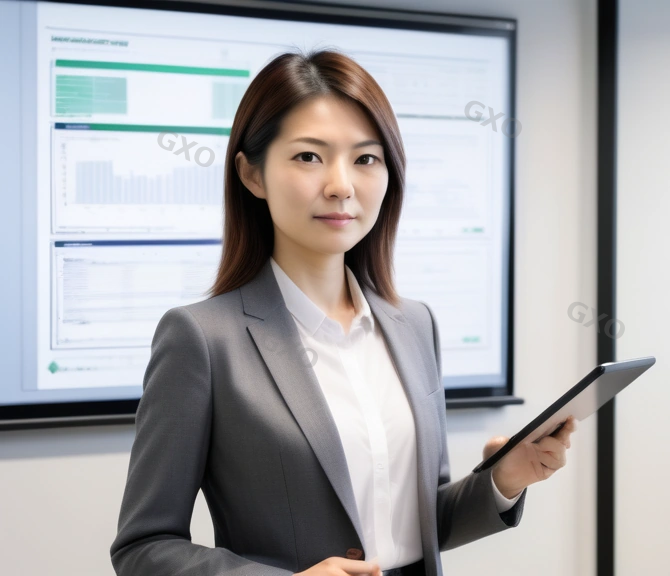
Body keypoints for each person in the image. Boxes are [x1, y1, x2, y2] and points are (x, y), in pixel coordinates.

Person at [109, 49, 577, 576]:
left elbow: (417, 525)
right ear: (251, 174)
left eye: (365, 158)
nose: (341, 185)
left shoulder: (414, 324)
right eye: (309, 157)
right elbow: (143, 547)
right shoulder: (201, 339)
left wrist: (503, 480)